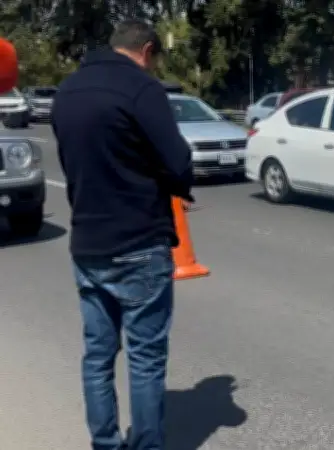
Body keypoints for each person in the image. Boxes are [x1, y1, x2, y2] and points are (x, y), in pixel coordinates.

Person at [51, 19, 193, 450]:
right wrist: (173, 184)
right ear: (147, 50)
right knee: (145, 359)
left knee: (97, 355)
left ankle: (106, 443)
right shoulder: (141, 89)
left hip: (87, 243)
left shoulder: (67, 90)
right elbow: (177, 161)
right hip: (139, 242)